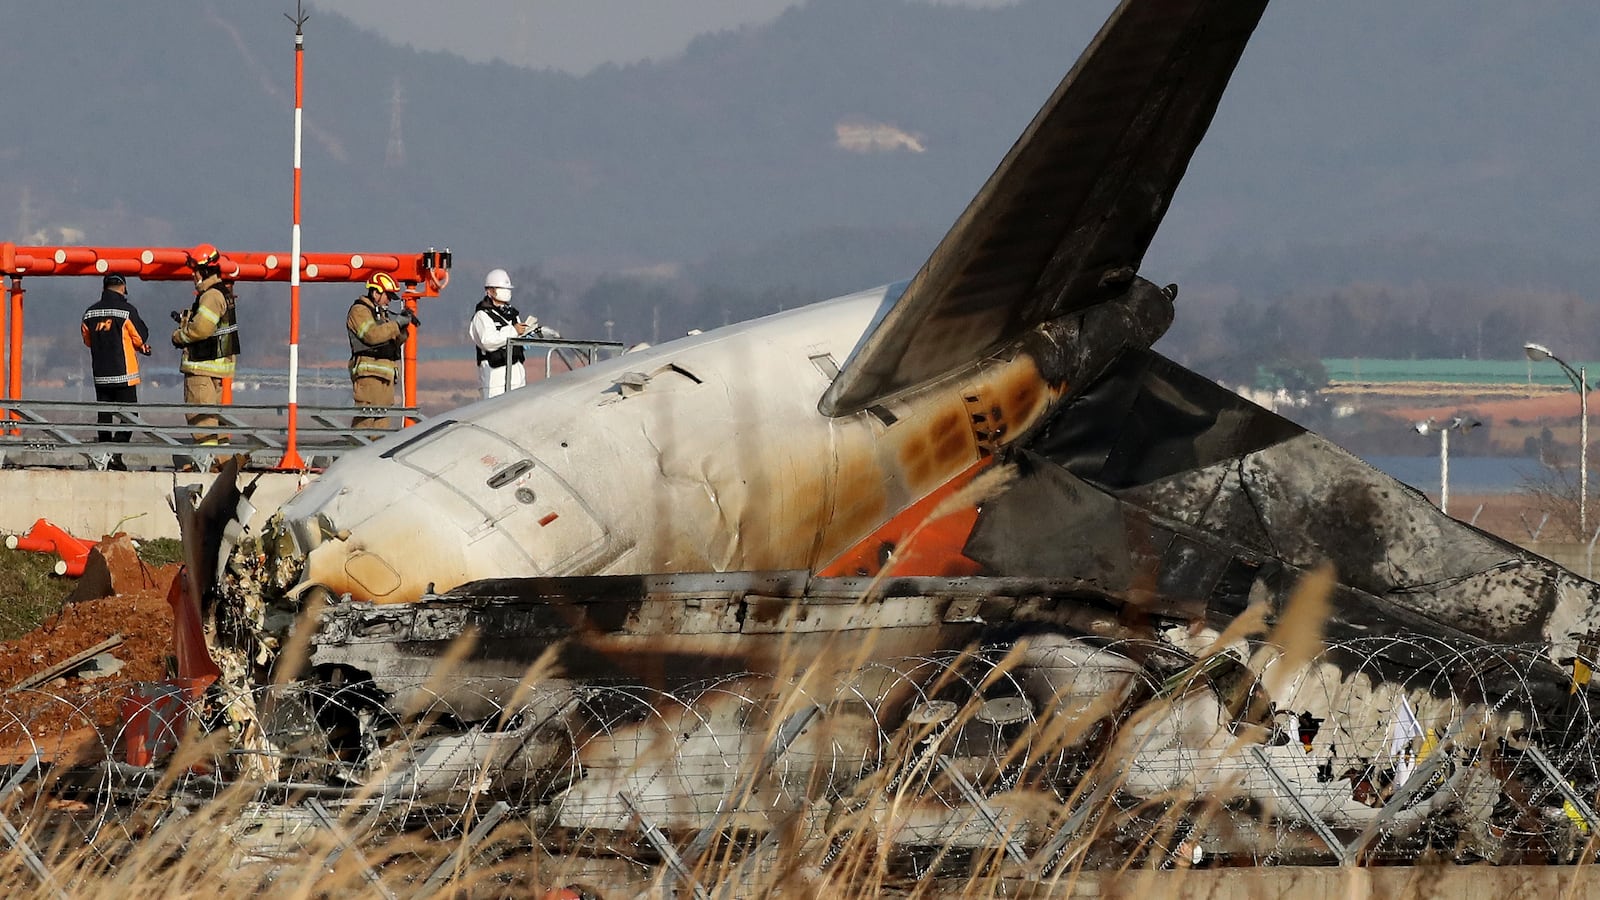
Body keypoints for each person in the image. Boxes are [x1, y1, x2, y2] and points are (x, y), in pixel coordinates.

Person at [170, 243, 239, 446]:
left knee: (203, 423)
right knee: (216, 423)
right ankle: (222, 460)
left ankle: (207, 459)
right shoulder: (222, 293)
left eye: (195, 271)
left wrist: (179, 336)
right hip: (216, 369)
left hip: (201, 367)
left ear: (203, 271)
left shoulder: (210, 296)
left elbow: (201, 329)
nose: (193, 276)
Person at [80, 273, 152, 470]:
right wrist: (138, 346)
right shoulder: (126, 311)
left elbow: (87, 340)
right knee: (130, 416)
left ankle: (103, 455)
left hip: (101, 375)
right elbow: (140, 336)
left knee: (104, 417)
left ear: (104, 288)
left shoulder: (90, 313)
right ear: (123, 288)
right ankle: (115, 454)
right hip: (124, 375)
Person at [468, 268, 557, 398]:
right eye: (502, 289)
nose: (507, 292)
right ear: (490, 291)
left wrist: (525, 337)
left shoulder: (512, 314)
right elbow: (488, 341)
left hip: (517, 375)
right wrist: (513, 331)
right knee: (497, 409)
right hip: (495, 379)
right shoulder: (482, 315)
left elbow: (516, 335)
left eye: (508, 289)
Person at [346, 272, 414, 429]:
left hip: (385, 379)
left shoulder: (382, 315)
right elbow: (372, 335)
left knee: (381, 428)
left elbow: (394, 341)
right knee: (365, 424)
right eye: (387, 296)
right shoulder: (359, 311)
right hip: (369, 378)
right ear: (376, 293)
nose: (389, 300)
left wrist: (403, 327)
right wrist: (396, 324)